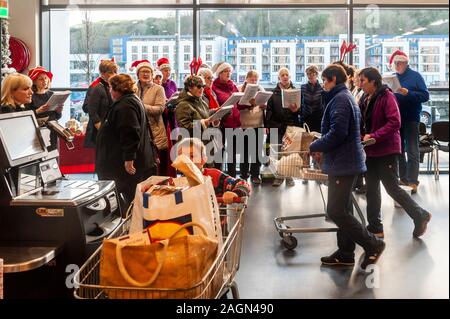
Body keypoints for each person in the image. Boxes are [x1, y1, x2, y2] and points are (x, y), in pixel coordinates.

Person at [309, 64, 385, 270]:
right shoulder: (343, 97)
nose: (323, 84)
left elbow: (338, 133)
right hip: (345, 161)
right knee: (343, 208)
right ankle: (345, 253)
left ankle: (373, 244)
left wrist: (314, 145)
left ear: (333, 79)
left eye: (325, 80)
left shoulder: (341, 99)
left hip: (344, 163)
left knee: (335, 210)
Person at [358, 67, 431, 239]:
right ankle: (375, 227)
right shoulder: (364, 98)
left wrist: (374, 136)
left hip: (386, 149)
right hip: (370, 150)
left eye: (363, 81)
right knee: (372, 190)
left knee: (392, 188)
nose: (360, 84)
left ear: (373, 82)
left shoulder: (387, 96)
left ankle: (420, 214)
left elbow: (394, 122)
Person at [95, 73, 157, 209]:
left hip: (122, 166)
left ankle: (131, 226)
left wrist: (129, 160)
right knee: (132, 199)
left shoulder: (125, 105)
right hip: (126, 162)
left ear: (118, 89)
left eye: (111, 87)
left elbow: (130, 133)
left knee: (129, 200)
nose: (110, 91)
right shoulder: (131, 101)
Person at [390, 50, 430, 194]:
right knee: (399, 150)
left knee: (412, 150)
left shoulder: (416, 76)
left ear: (406, 64)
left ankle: (413, 181)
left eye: (399, 63)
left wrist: (409, 93)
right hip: (396, 119)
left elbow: (425, 95)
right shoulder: (393, 77)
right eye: (395, 63)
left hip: (411, 118)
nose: (396, 65)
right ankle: (403, 178)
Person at [177, 138, 250, 204]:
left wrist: (235, 193)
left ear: (203, 160)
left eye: (192, 156)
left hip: (216, 217)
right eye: (183, 157)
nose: (187, 160)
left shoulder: (215, 176)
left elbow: (242, 183)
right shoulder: (178, 183)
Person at [131, 60, 170, 177]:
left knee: (156, 168)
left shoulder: (158, 89)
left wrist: (139, 106)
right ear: (137, 74)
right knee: (140, 168)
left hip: (155, 132)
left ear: (152, 75)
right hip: (137, 132)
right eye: (143, 71)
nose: (146, 74)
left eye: (148, 71)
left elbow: (159, 109)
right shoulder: (132, 88)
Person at [265, 67, 300, 187]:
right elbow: (269, 112)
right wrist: (271, 126)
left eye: (287, 74)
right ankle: (279, 176)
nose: (285, 77)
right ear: (279, 78)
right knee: (277, 153)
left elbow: (302, 111)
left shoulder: (296, 91)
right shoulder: (273, 93)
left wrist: (296, 110)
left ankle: (289, 176)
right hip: (277, 127)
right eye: (282, 75)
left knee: (290, 153)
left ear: (289, 77)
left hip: (291, 128)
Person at [212, 62, 242, 177]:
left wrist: (249, 102)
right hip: (222, 125)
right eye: (225, 71)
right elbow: (214, 105)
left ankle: (232, 178)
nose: (228, 73)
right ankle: (218, 179)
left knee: (232, 153)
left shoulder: (232, 85)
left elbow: (238, 103)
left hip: (234, 124)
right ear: (219, 73)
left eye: (230, 71)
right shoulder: (214, 87)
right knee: (219, 153)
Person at [237, 70, 265, 184]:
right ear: (246, 79)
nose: (253, 81)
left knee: (256, 152)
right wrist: (249, 104)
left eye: (255, 79)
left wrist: (264, 105)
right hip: (244, 125)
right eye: (251, 79)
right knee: (244, 152)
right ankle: (243, 175)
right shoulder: (239, 89)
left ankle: (255, 175)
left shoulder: (260, 89)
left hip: (258, 124)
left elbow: (264, 102)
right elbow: (237, 105)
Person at [26, 66, 63, 151]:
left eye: (46, 78)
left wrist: (59, 112)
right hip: (37, 133)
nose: (45, 81)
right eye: (41, 79)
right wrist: (38, 111)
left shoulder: (51, 94)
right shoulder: (30, 96)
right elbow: (26, 117)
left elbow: (56, 117)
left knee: (53, 155)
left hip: (53, 132)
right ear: (34, 81)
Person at [83, 59, 118, 149]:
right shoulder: (96, 87)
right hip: (98, 129)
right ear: (102, 73)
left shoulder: (113, 86)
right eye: (110, 72)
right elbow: (87, 108)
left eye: (115, 72)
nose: (114, 74)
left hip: (110, 127)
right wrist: (101, 127)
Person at [175, 75, 219, 141]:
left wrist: (215, 116)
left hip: (203, 140)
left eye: (203, 86)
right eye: (198, 86)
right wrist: (204, 123)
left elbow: (204, 114)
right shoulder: (183, 104)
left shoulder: (200, 100)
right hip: (190, 144)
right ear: (189, 88)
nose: (201, 89)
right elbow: (185, 128)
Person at [300, 65, 324, 133]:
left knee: (317, 140)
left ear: (316, 74)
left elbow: (324, 103)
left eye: (312, 74)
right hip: (306, 119)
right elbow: (300, 104)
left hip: (318, 119)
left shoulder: (322, 87)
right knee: (305, 142)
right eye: (308, 74)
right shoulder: (303, 87)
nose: (310, 76)